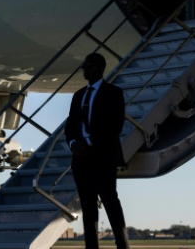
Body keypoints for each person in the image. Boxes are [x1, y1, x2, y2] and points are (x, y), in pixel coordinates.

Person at [65, 53, 129, 249]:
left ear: (100, 68)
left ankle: (122, 244)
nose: (84, 70)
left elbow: (115, 126)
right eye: (84, 66)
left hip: (102, 156)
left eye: (88, 66)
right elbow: (70, 125)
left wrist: (90, 142)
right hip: (81, 158)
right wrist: (73, 143)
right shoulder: (78, 95)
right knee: (88, 206)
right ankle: (91, 246)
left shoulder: (113, 93)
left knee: (110, 201)